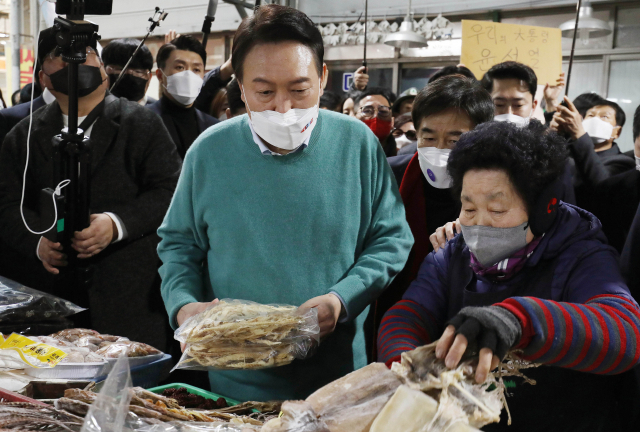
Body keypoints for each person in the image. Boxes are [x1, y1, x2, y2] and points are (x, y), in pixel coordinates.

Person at [158, 4, 413, 402]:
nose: (283, 108)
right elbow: (178, 245)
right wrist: (183, 305)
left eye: (299, 90)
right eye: (263, 92)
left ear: (322, 77)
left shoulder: (357, 144)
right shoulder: (208, 152)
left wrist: (340, 300)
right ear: (239, 87)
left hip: (338, 378)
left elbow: (391, 239)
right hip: (235, 382)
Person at [378, 120, 640, 431]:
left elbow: (625, 334)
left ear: (543, 210)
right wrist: (411, 370)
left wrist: (519, 320)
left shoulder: (581, 253)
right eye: (469, 208)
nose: (480, 224)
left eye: (498, 210)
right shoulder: (452, 253)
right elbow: (409, 314)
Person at [0, 27, 181, 352]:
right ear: (44, 78)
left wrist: (116, 224)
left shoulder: (142, 124)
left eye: (88, 56)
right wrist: (36, 243)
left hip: (131, 301)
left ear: (105, 74)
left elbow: (170, 190)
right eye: (61, 57)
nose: (76, 63)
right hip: (49, 306)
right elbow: (5, 204)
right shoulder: (22, 135)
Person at [374, 76, 494, 360]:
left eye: (455, 140)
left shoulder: (498, 186)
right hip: (396, 313)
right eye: (428, 138)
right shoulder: (389, 174)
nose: (440, 150)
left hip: (465, 323)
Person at [148, 35, 218, 159]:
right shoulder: (144, 119)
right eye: (180, 67)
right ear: (160, 75)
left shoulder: (213, 127)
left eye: (196, 69)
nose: (188, 75)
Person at [102, 38, 156, 105]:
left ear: (149, 78)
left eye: (137, 71)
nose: (128, 73)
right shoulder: (93, 110)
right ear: (103, 73)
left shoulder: (158, 112)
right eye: (119, 69)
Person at [354, 87, 398, 157]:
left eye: (383, 112)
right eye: (367, 111)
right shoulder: (341, 155)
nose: (375, 116)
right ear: (354, 118)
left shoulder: (402, 159)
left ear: (392, 122)